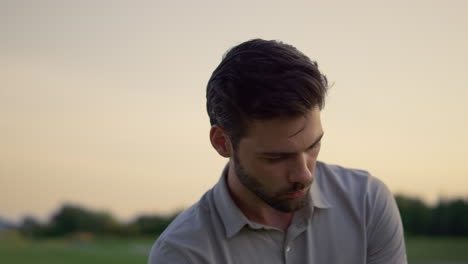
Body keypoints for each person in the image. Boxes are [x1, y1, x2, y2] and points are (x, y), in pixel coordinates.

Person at [148, 39, 407, 263]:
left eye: (313, 145)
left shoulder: (367, 202)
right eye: (277, 157)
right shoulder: (182, 253)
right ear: (222, 142)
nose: (304, 175)